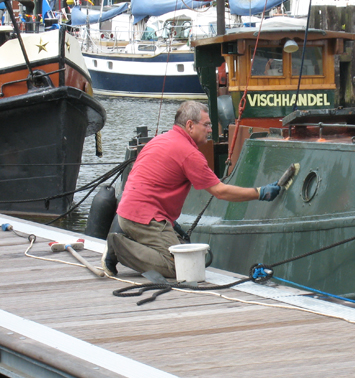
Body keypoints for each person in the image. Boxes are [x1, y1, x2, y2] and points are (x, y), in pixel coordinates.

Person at [103, 101, 281, 278]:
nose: (210, 129)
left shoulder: (160, 140)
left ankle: (129, 240)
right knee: (180, 268)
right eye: (206, 125)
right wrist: (259, 193)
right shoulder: (189, 153)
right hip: (145, 219)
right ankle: (117, 248)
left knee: (180, 252)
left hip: (127, 214)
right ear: (190, 125)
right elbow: (220, 191)